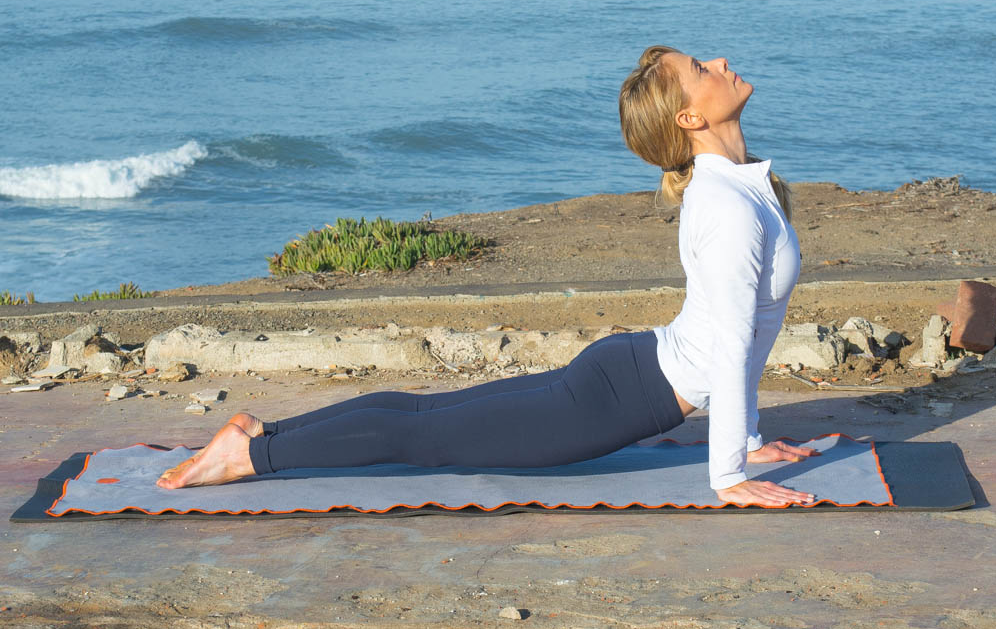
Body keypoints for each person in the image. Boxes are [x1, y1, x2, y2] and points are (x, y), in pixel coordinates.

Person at [157, 45, 819, 507]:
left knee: (423, 417)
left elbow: (742, 329)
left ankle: (257, 438)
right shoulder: (727, 204)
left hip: (632, 371)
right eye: (703, 68)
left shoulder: (737, 187)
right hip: (619, 395)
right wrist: (729, 471)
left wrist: (751, 442)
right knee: (420, 432)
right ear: (690, 118)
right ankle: (249, 455)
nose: (722, 64)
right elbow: (734, 343)